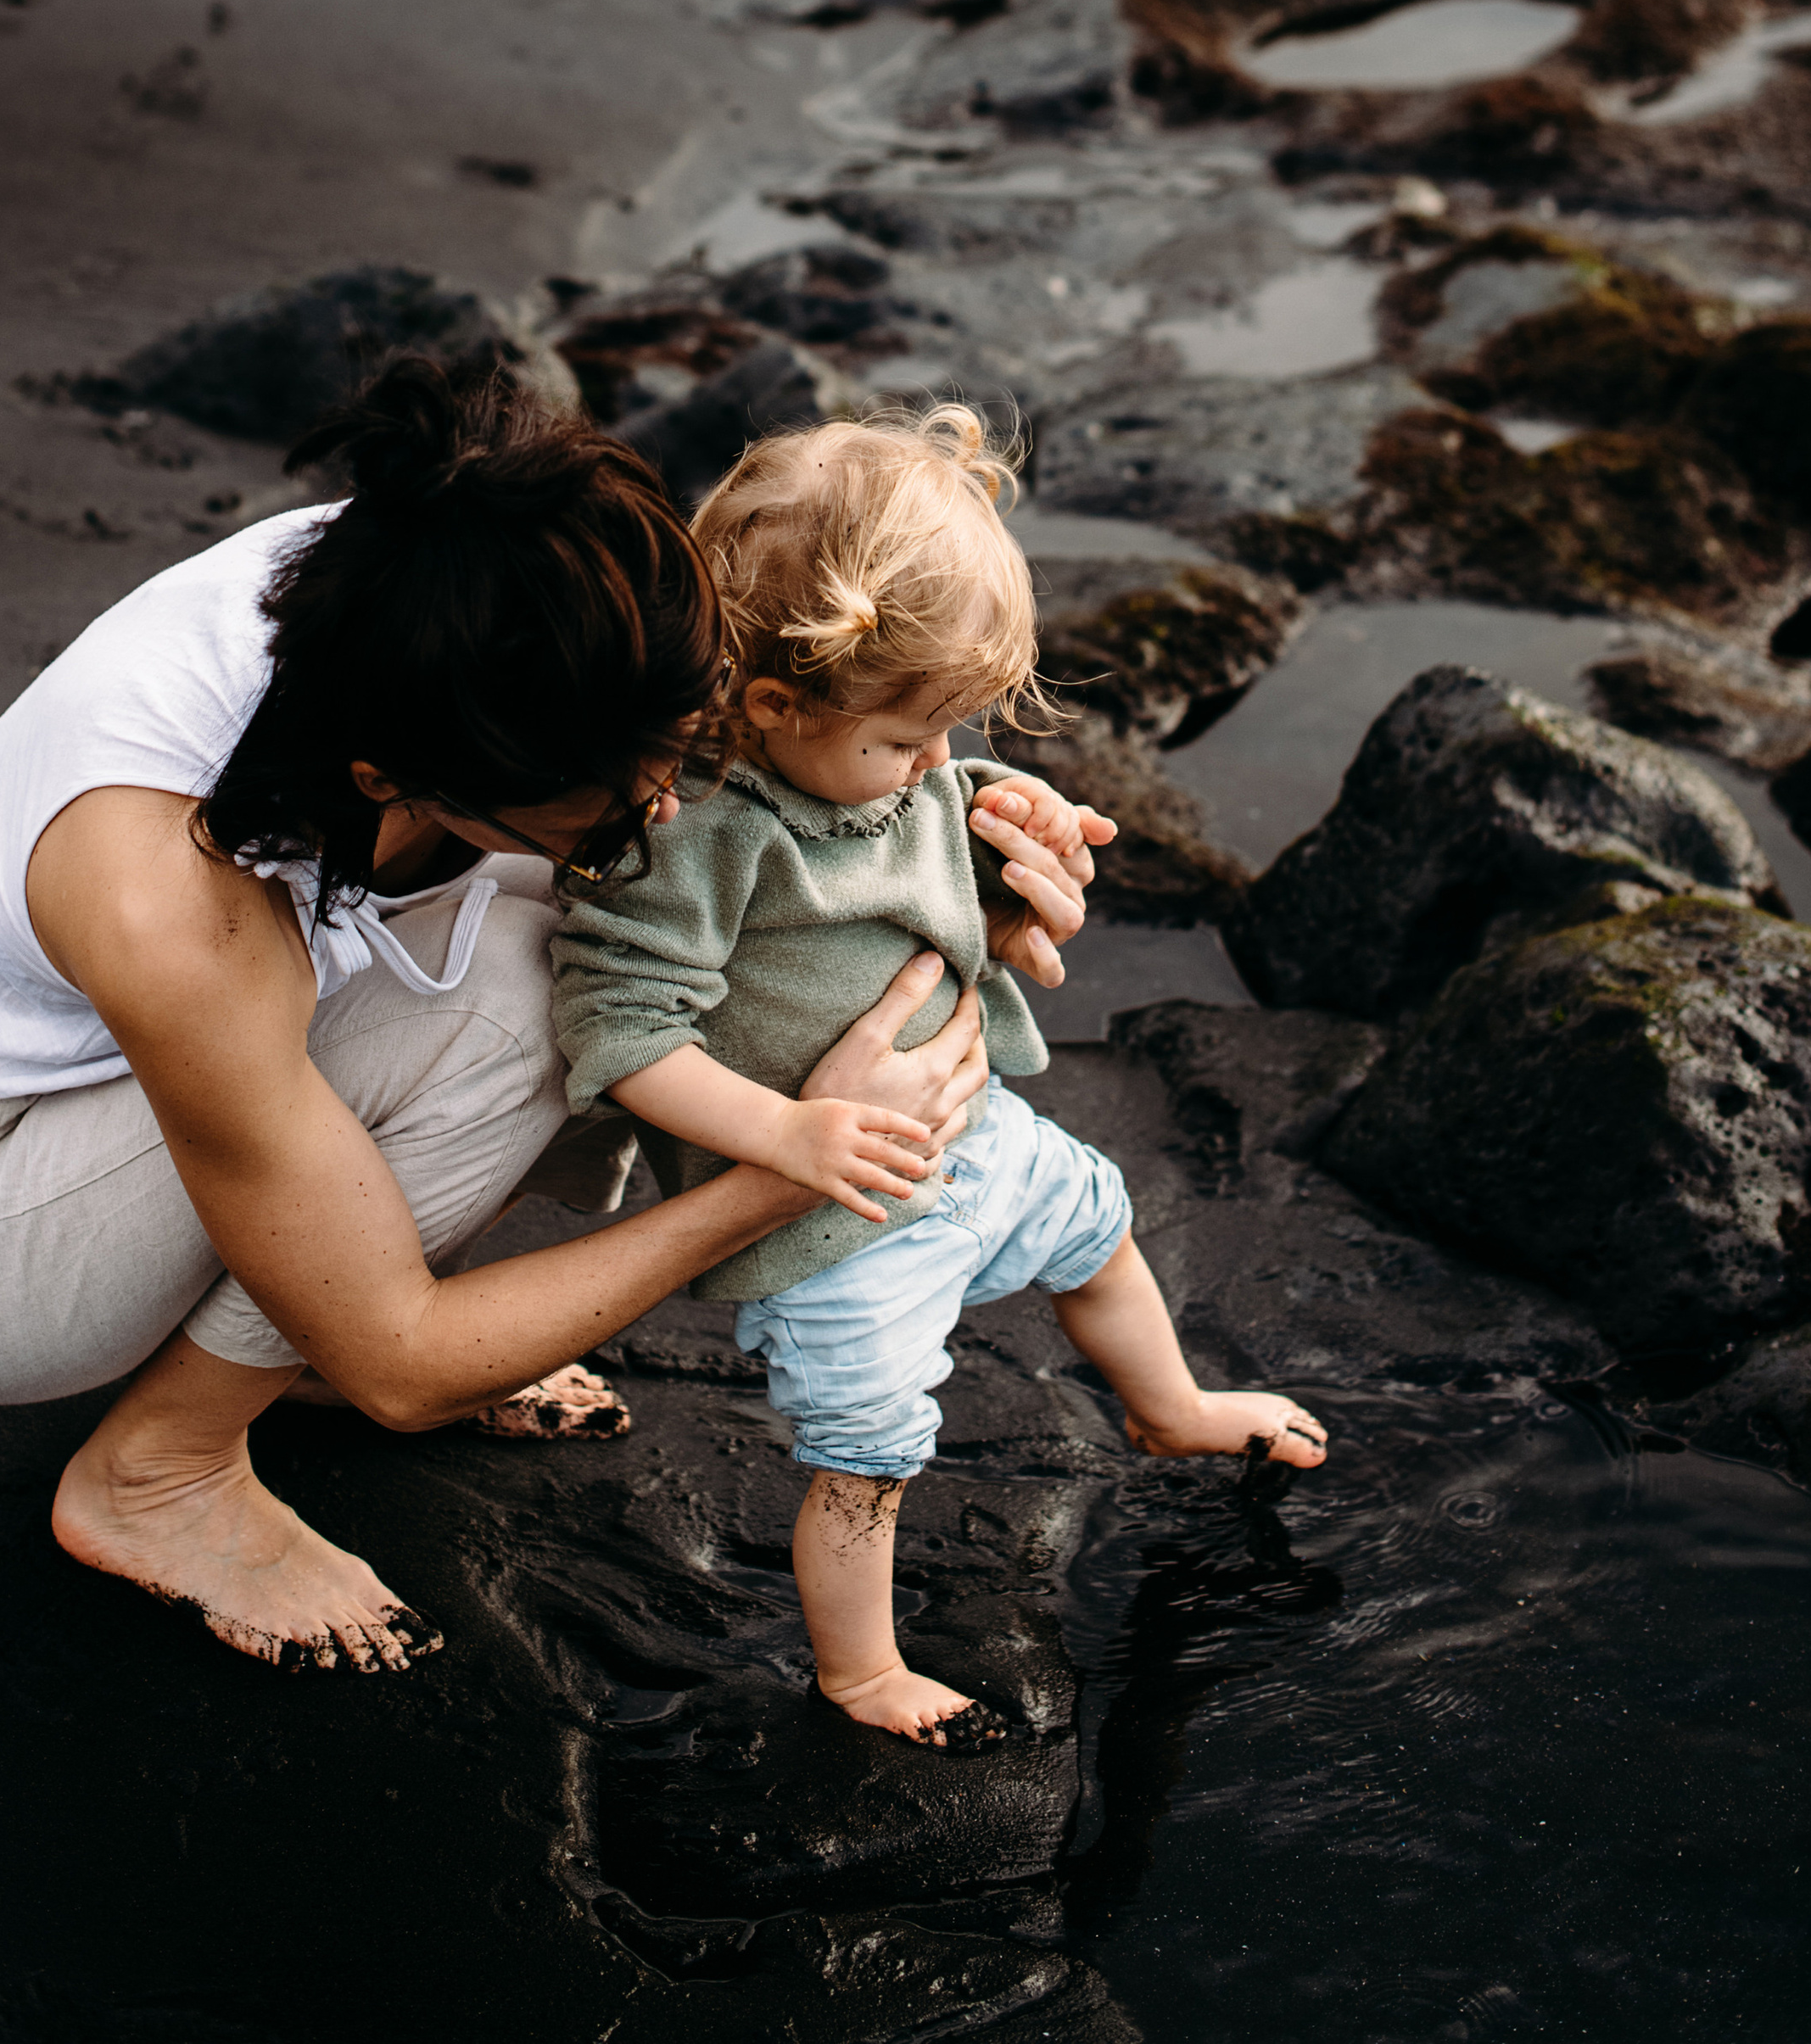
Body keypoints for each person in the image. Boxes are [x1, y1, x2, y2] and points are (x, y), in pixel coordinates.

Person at [0, 357, 1104, 1676]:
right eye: (615, 801)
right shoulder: (166, 899)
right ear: (392, 781)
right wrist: (776, 1177)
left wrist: (961, 858)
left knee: (615, 923)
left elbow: (765, 774)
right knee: (540, 991)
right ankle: (162, 1471)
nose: (664, 805)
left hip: (145, 1098)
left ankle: (288, 1316)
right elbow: (404, 1368)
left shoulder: (496, 590)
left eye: (682, 751)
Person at [551, 405, 1330, 1749]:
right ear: (773, 704)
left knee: (1100, 1231)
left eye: (954, 731)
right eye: (909, 739)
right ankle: (859, 1670)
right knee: (869, 1455)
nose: (936, 766)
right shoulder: (699, 842)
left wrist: (1028, 877)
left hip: (974, 1134)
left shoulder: (908, 779)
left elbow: (959, 889)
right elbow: (622, 1036)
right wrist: (787, 1141)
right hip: (824, 1224)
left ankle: (1171, 1408)